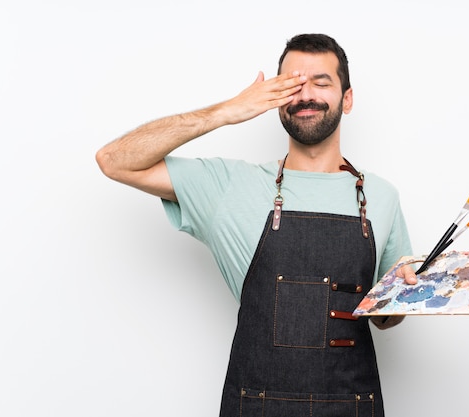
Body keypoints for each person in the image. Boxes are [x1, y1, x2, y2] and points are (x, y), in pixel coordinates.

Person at [96, 33, 417, 417]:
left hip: (351, 404)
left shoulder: (380, 197)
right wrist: (227, 111)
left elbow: (385, 319)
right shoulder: (230, 185)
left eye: (321, 82)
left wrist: (401, 297)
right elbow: (114, 160)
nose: (306, 94)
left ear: (347, 100)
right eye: (292, 84)